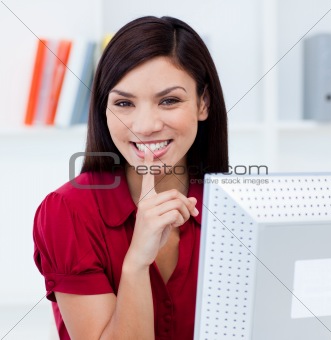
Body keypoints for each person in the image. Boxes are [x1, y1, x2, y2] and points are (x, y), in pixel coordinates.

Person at [33, 16, 228, 340]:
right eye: (124, 103)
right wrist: (137, 261)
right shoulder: (67, 213)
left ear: (203, 103)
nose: (145, 125)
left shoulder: (234, 209)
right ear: (104, 110)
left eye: (169, 100)